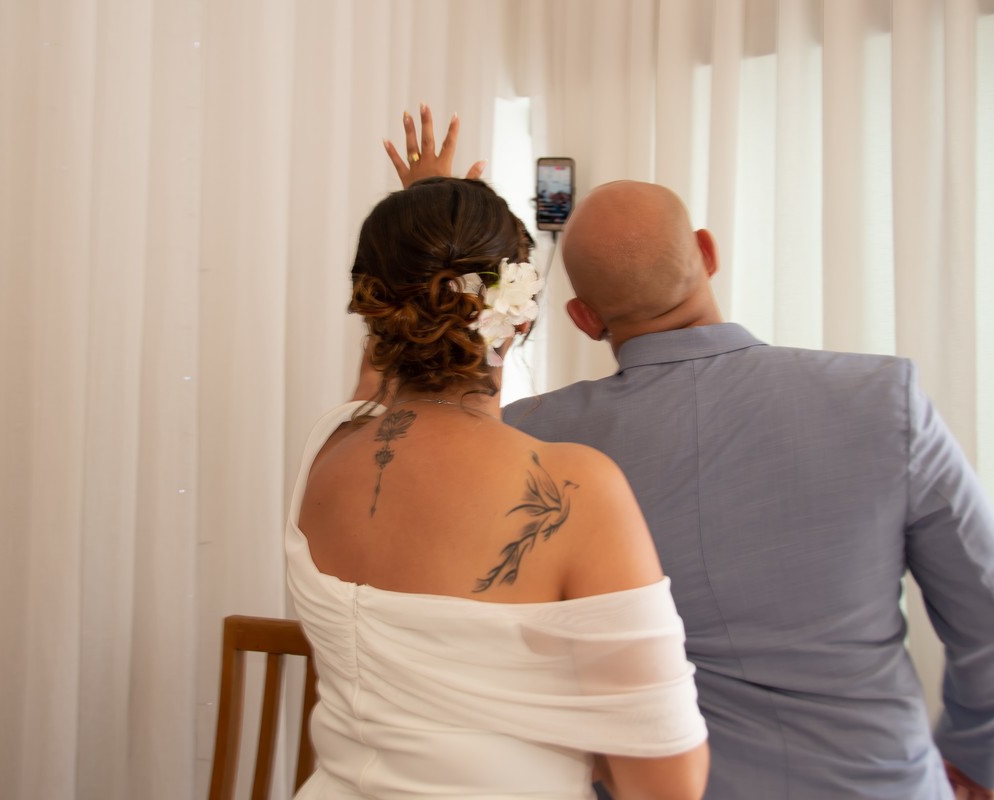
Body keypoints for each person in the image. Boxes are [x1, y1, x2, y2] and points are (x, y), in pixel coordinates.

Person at [502, 180, 994, 799]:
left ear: (584, 318)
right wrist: (974, 752)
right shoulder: (883, 399)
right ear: (707, 253)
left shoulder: (529, 439)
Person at [286, 108, 709, 800]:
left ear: (374, 309)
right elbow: (670, 785)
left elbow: (376, 377)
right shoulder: (576, 488)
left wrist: (425, 218)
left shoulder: (327, 452)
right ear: (523, 309)